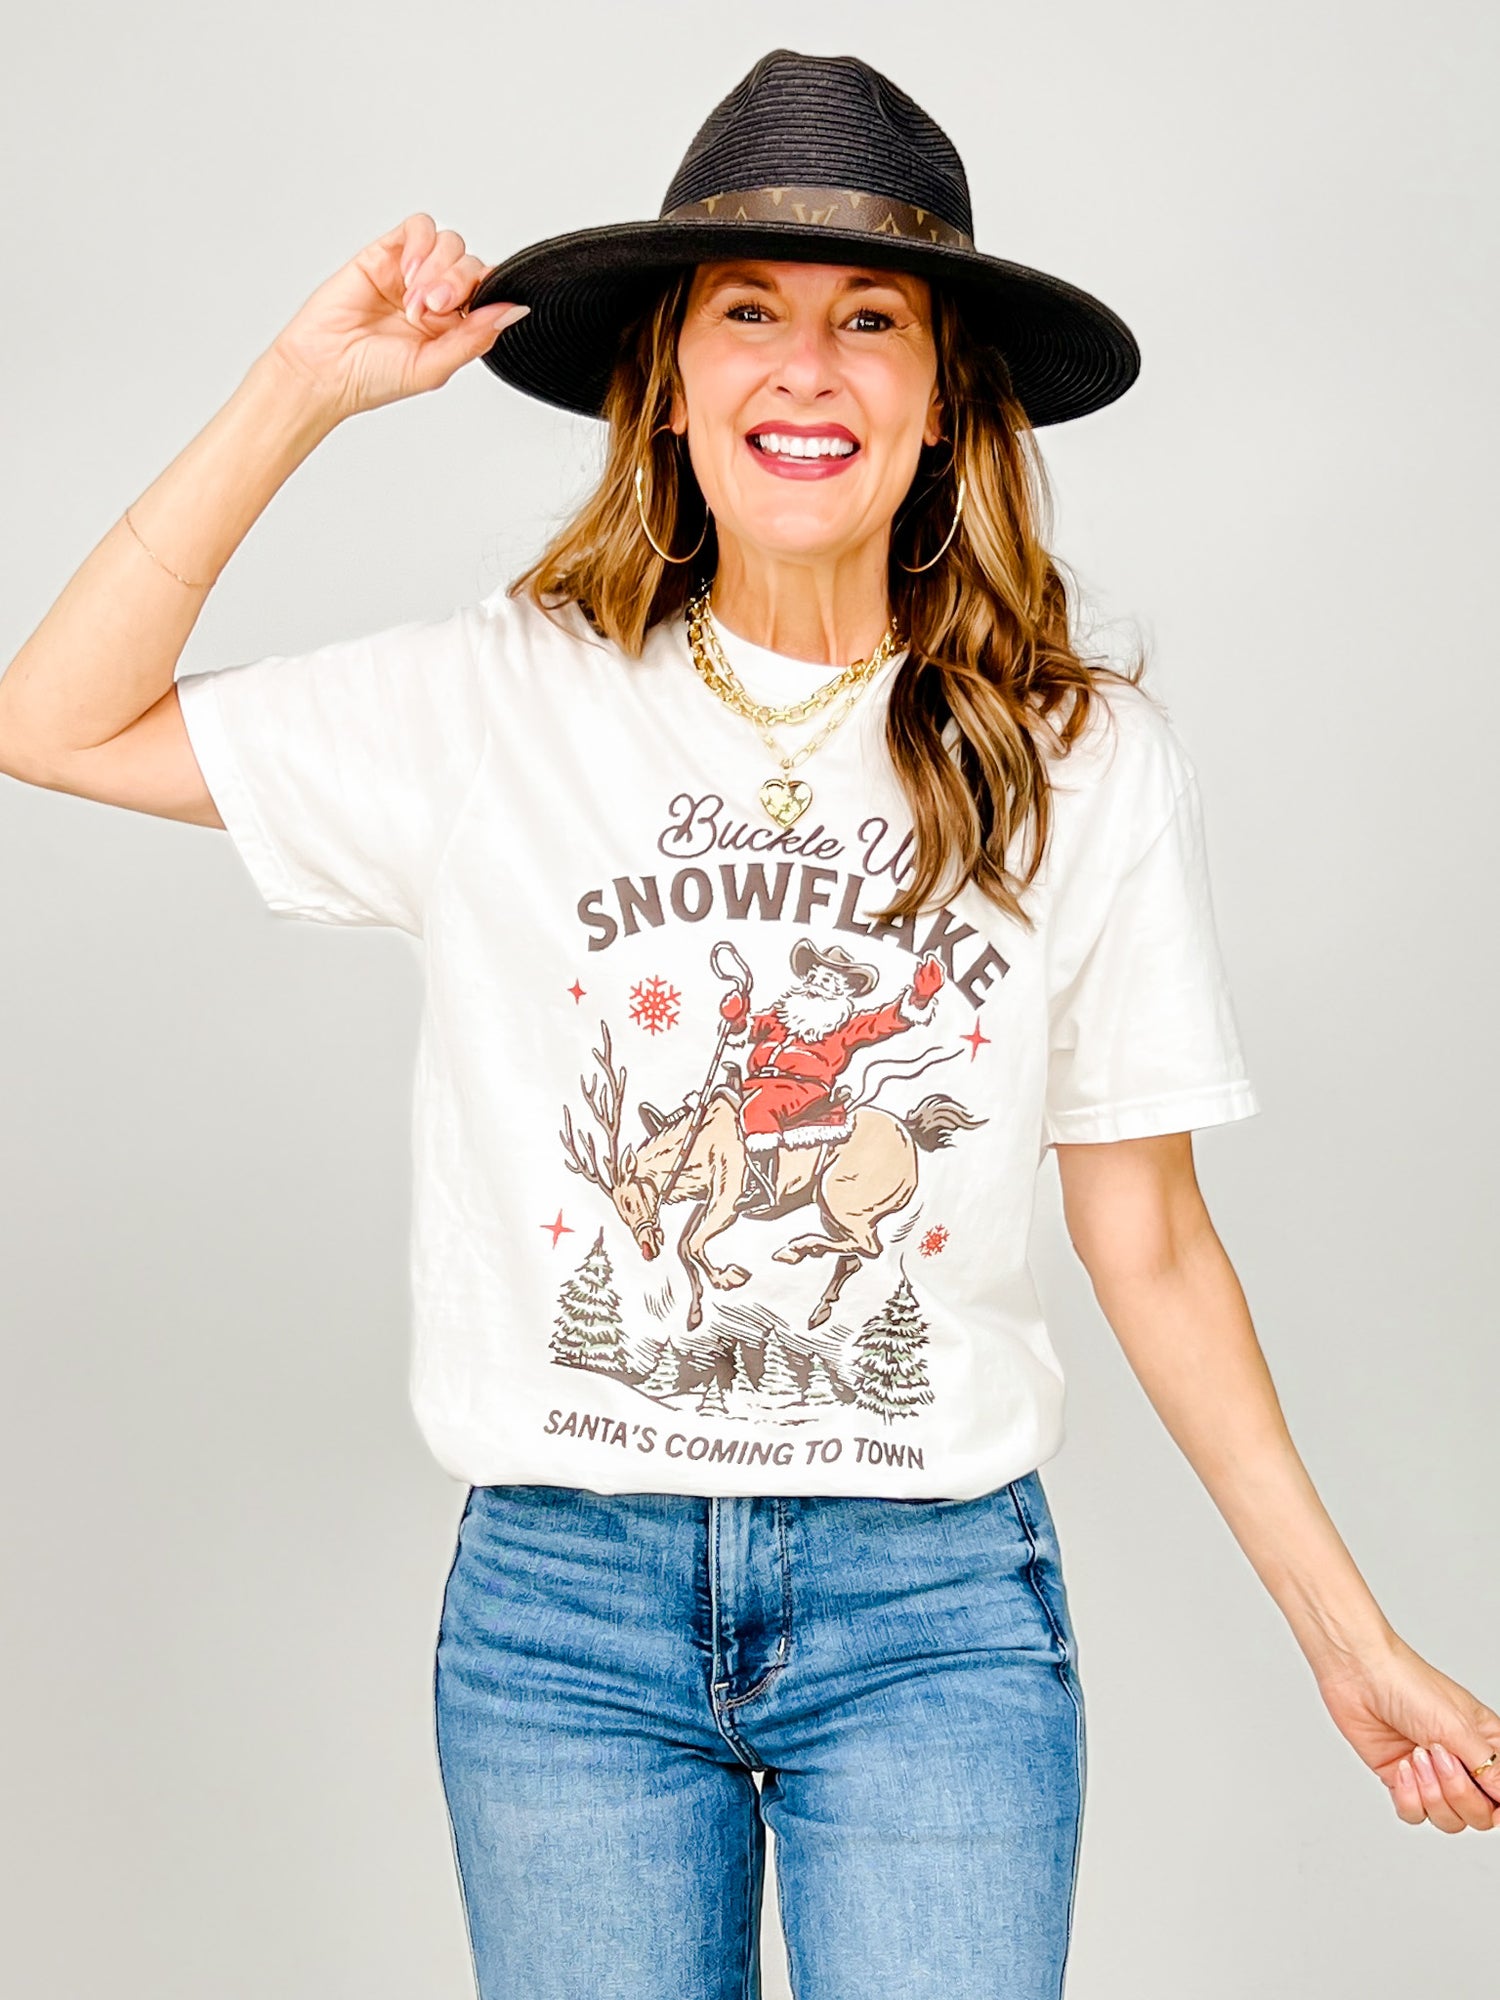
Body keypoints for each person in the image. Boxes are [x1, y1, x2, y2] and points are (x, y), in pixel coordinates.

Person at [2, 43, 1494, 2000]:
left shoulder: (1080, 757)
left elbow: (1148, 1236)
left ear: (946, 397)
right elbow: (53, 719)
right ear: (668, 382)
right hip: (566, 1612)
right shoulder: (499, 699)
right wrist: (303, 388)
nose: (809, 369)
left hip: (932, 1610)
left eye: (871, 319)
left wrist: (1346, 1635)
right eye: (749, 315)